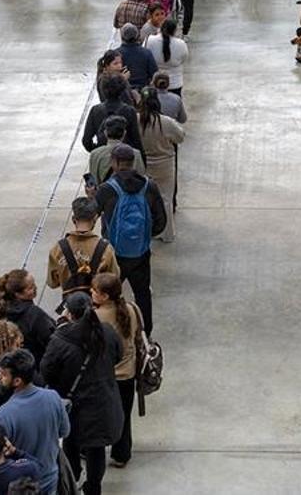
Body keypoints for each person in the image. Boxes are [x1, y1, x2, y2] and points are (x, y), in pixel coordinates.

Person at [41, 293, 125, 495]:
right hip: (104, 401)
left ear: (69, 314)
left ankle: (73, 479)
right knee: (96, 450)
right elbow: (118, 354)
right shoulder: (106, 332)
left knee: (71, 442)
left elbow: (46, 370)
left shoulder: (60, 340)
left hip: (74, 405)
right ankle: (93, 487)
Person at [95, 145, 168, 335]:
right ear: (133, 162)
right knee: (143, 293)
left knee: (109, 294)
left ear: (115, 163)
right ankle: (146, 333)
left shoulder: (107, 189)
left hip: (114, 254)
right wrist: (144, 236)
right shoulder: (148, 186)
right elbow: (161, 222)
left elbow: (91, 214)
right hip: (141, 253)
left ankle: (112, 330)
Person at [0, 348, 69, 494]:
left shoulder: (4, 414)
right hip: (50, 477)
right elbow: (65, 431)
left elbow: (0, 457)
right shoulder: (53, 397)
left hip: (20, 486)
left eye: (3, 374)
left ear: (17, 381)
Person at [90, 272, 143, 469]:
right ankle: (122, 453)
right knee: (124, 414)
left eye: (94, 291)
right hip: (128, 373)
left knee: (102, 415)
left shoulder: (96, 316)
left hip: (107, 376)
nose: (91, 293)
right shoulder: (131, 308)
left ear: (104, 296)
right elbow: (138, 335)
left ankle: (97, 448)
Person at [137, 89, 184, 239]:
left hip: (144, 164)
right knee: (166, 199)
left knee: (145, 198)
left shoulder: (136, 120)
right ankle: (167, 233)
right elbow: (180, 137)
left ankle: (147, 231)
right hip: (165, 164)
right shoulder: (166, 122)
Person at [0, 268, 56, 369]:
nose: (36, 288)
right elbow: (52, 341)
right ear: (17, 294)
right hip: (40, 366)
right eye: (30, 287)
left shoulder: (2, 311)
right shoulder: (35, 314)